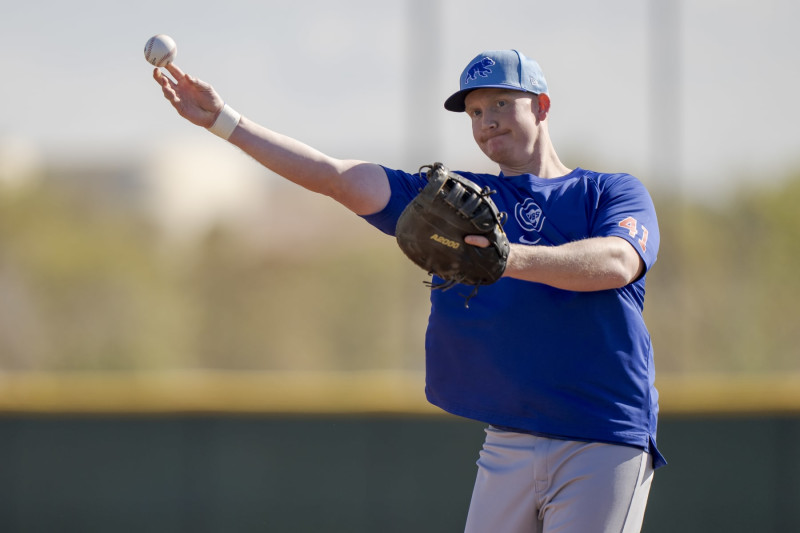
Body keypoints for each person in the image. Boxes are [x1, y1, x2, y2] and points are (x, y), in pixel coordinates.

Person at [153, 48, 664, 533]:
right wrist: (225, 123)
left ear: (543, 106)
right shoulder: (458, 201)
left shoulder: (608, 192)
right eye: (476, 110)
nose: (487, 121)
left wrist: (508, 259)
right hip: (507, 438)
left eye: (503, 103)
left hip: (602, 435)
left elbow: (618, 262)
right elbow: (336, 177)